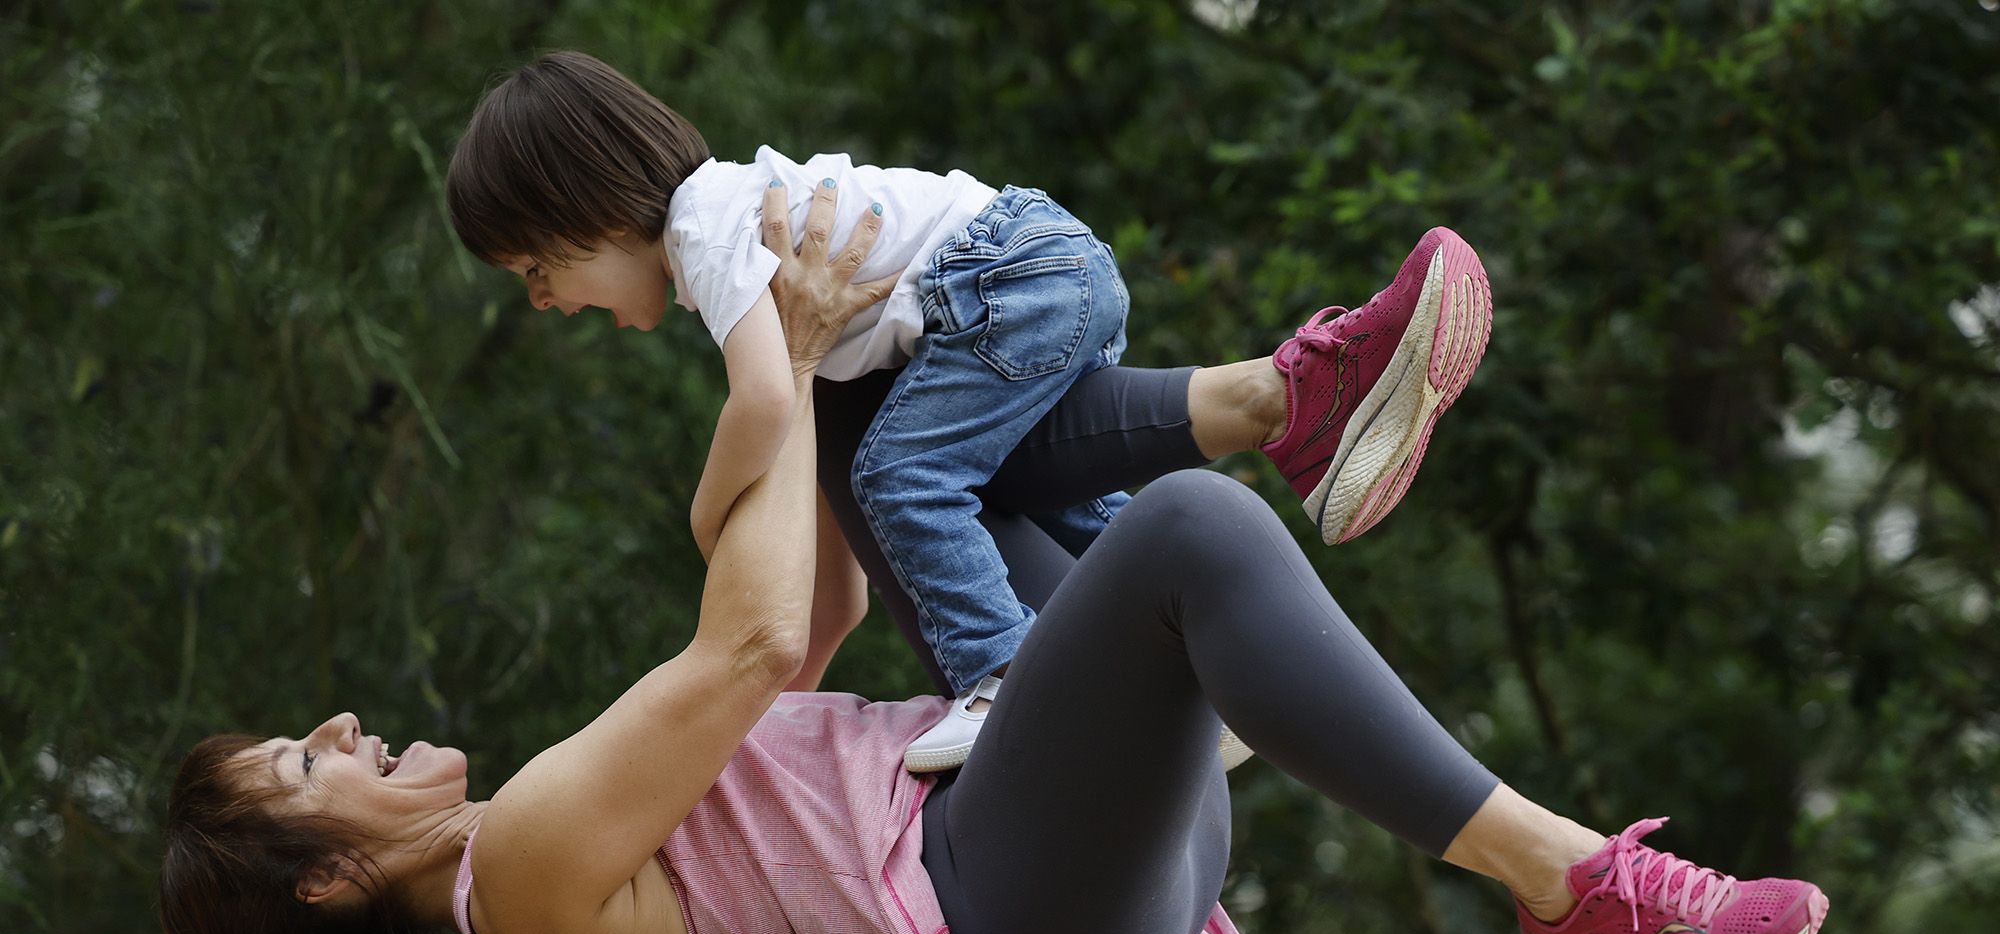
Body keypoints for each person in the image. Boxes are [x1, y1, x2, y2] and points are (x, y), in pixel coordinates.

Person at [159, 185, 1827, 934]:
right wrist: (777, 356)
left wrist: (820, 382)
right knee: (1179, 533)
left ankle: (1288, 390)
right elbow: (739, 647)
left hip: (1050, 831)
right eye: (307, 768)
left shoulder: (531, 828)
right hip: (1019, 891)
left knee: (903, 418)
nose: (341, 729)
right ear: (326, 875)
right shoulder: (515, 871)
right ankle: (1575, 895)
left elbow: (800, 645)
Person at [442, 50, 1490, 772]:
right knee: (1051, 496)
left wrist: (706, 513)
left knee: (901, 476)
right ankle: (1283, 469)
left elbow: (767, 398)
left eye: (536, 267)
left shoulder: (703, 228)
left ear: (585, 204)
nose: (541, 301)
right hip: (1040, 266)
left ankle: (1001, 678)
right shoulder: (732, 217)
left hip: (1002, 281)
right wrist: (751, 717)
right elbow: (834, 592)